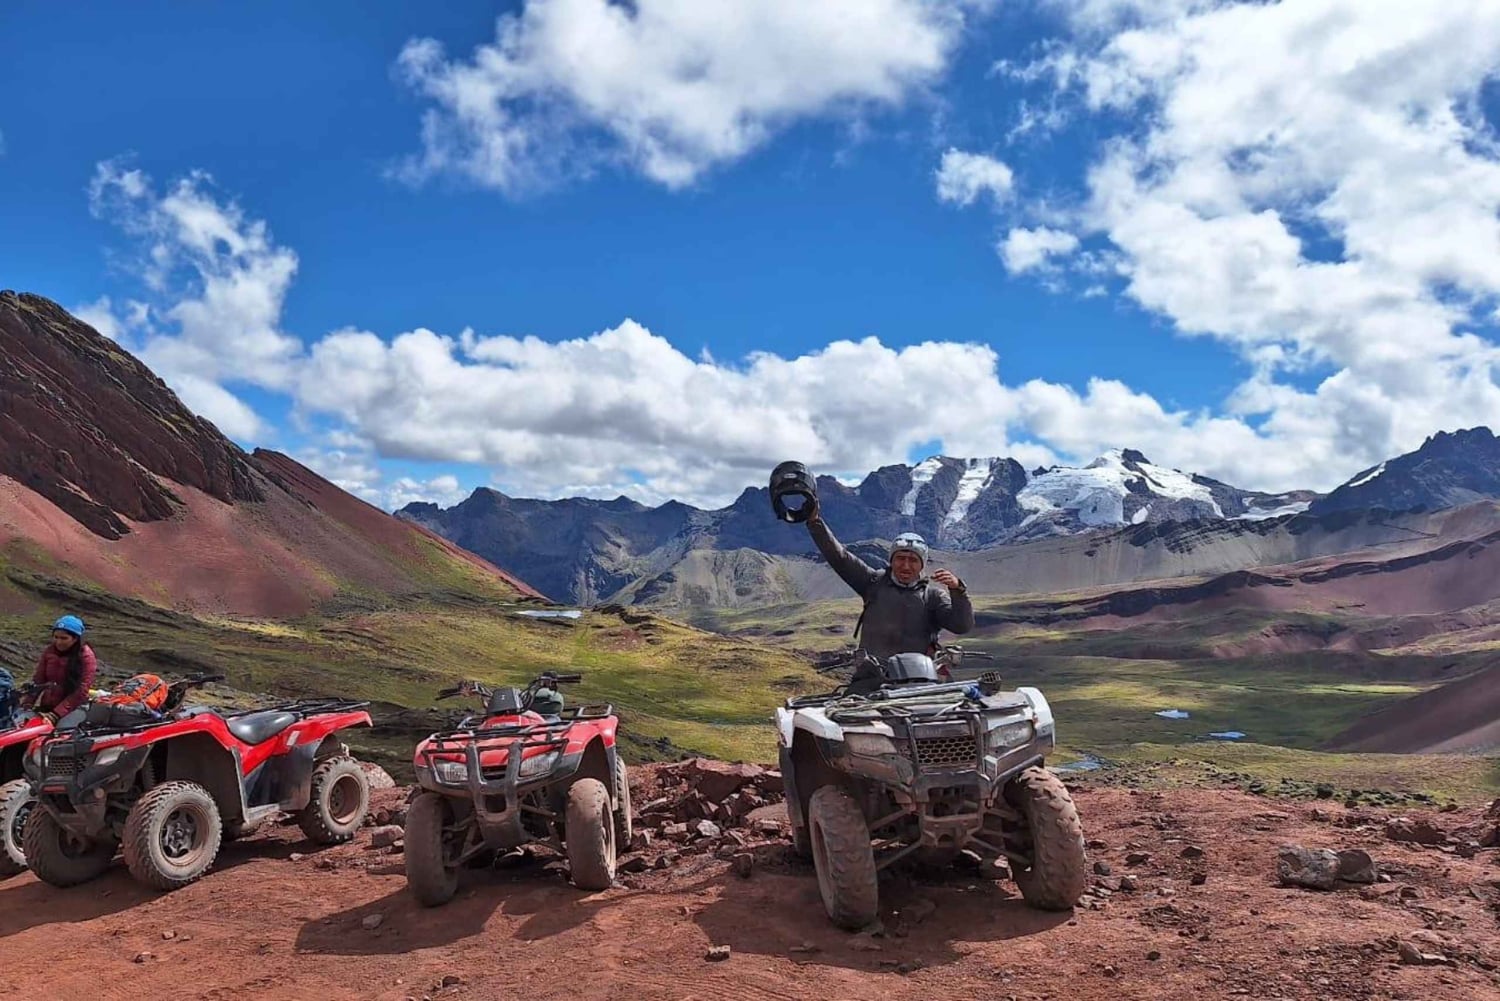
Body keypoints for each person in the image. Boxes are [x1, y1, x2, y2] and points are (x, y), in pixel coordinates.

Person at [804, 498, 974, 673]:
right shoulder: (872, 583)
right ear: (891, 560)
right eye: (900, 558)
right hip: (871, 677)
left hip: (921, 679)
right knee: (851, 700)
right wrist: (814, 522)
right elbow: (840, 558)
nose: (906, 566)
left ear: (922, 564)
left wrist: (958, 590)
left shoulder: (933, 598)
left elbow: (961, 626)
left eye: (913, 560)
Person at [20, 615, 97, 726]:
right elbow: (38, 680)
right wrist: (27, 704)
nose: (58, 642)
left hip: (74, 709)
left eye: (64, 638)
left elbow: (81, 690)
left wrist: (55, 715)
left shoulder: (86, 657)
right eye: (56, 637)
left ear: (75, 639)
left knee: (56, 734)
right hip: (48, 705)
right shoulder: (49, 652)